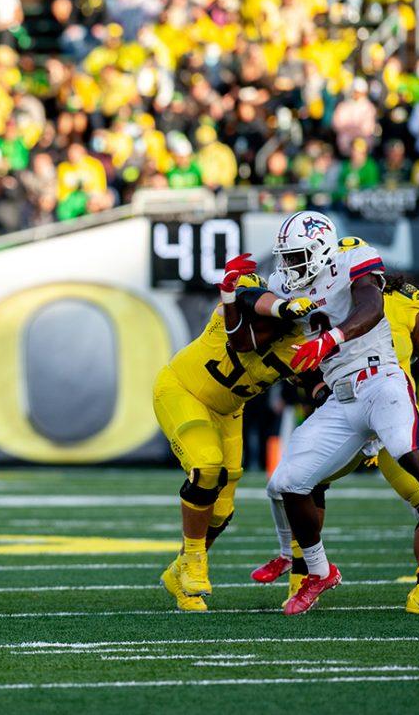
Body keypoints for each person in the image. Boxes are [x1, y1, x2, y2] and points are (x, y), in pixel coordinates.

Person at [265, 211, 419, 615]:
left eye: (297, 256)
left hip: (380, 380)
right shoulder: (283, 283)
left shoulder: (352, 258)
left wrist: (332, 339)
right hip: (340, 400)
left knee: (408, 451)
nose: (289, 267)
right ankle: (317, 570)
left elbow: (371, 306)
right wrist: (244, 298)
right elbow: (267, 309)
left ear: (322, 249)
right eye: (285, 258)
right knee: (287, 482)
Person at [153, 254, 312, 611]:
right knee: (207, 468)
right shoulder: (240, 301)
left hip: (228, 410)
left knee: (222, 511)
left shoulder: (297, 344)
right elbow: (245, 297)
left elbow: (316, 385)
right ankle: (193, 562)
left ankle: (179, 574)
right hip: (183, 390)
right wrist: (285, 307)